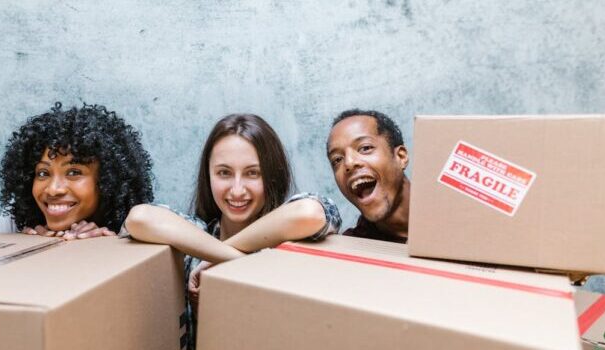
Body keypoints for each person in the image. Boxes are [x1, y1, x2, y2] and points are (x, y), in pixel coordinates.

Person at [122, 113, 341, 350]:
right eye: (224, 173)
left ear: (272, 176)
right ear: (209, 176)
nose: (237, 190)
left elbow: (309, 214)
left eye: (252, 173)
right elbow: (139, 218)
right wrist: (233, 258)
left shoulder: (291, 240)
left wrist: (231, 263)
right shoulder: (194, 238)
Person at [0, 102, 154, 239]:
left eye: (73, 172)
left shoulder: (149, 224)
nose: (53, 190)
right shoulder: (12, 224)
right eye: (43, 173)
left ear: (108, 181)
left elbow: (141, 218)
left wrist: (116, 238)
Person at [326, 109, 410, 243]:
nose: (349, 163)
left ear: (400, 157)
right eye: (337, 160)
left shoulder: (451, 207)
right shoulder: (353, 250)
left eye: (365, 148)